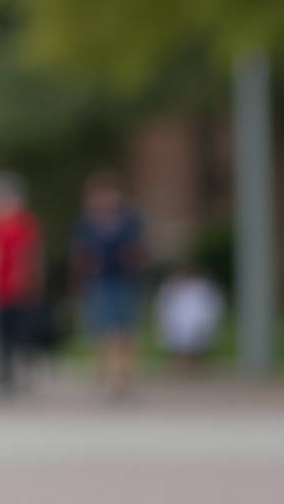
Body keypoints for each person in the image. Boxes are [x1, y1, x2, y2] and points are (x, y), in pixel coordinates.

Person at [69, 168, 150, 400]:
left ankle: (123, 376)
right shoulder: (86, 221)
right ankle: (109, 374)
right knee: (103, 330)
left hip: (125, 280)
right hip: (99, 281)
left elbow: (138, 250)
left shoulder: (129, 219)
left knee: (125, 330)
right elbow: (80, 254)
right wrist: (79, 279)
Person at [0, 171, 42, 396]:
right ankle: (2, 375)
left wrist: (31, 280)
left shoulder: (22, 223)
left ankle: (23, 373)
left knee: (20, 334)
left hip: (19, 288)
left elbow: (30, 254)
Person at [153, 254, 225, 374]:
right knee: (181, 329)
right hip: (176, 318)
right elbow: (163, 305)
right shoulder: (171, 286)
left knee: (192, 327)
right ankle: (184, 361)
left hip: (197, 317)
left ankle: (191, 360)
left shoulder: (202, 286)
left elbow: (211, 304)